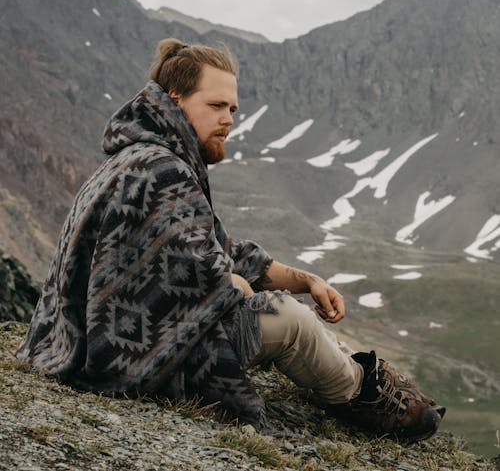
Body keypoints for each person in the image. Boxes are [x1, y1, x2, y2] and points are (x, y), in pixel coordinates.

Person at [17, 38, 445, 440]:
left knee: (287, 301)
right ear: (175, 98)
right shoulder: (161, 170)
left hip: (85, 343)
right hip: (121, 358)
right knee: (288, 319)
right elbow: (207, 280)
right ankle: (365, 398)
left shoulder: (145, 156)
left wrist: (305, 279)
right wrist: (235, 287)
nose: (228, 120)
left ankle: (360, 374)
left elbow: (216, 248)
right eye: (217, 105)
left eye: (234, 109)